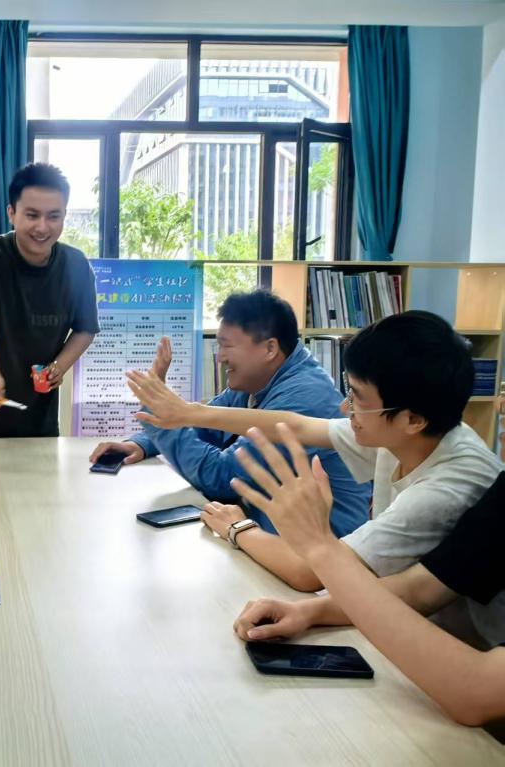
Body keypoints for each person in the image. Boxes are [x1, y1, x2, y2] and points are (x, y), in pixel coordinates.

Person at [127, 310, 502, 591]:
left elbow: (312, 573)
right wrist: (186, 413)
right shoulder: (412, 429)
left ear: (412, 419)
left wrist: (236, 527)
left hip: (453, 643)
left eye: (357, 397)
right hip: (379, 600)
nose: (344, 406)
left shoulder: (440, 492)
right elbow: (297, 426)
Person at [228, 424, 505, 728]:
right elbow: (422, 588)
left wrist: (321, 549)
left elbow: (476, 692)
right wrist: (311, 611)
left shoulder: (454, 479)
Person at [91, 290, 369, 540]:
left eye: (226, 346)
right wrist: (141, 443)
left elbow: (221, 477)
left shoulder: (303, 396)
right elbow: (200, 423)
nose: (220, 357)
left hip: (324, 549)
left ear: (270, 348)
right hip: (271, 530)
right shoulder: (259, 380)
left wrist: (157, 412)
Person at [0, 162, 100, 438]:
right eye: (32, 215)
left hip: (38, 426)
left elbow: (85, 328)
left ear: (65, 215)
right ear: (11, 213)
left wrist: (59, 366)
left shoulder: (76, 266)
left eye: (53, 216)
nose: (42, 227)